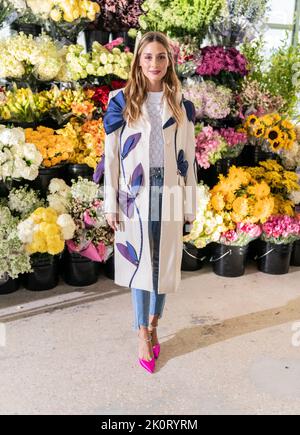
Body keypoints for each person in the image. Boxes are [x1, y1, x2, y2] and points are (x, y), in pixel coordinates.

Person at [103, 31, 198, 373]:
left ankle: (155, 323)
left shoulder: (180, 104)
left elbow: (189, 158)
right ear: (138, 61)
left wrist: (190, 206)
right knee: (140, 263)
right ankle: (143, 332)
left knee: (163, 262)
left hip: (170, 191)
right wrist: (110, 203)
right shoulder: (121, 100)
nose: (154, 64)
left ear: (169, 62)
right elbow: (111, 156)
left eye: (161, 57)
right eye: (148, 57)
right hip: (134, 194)